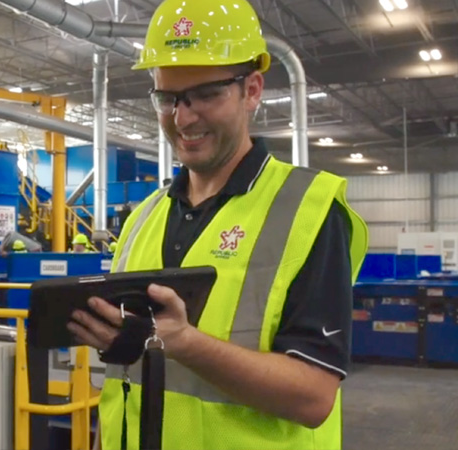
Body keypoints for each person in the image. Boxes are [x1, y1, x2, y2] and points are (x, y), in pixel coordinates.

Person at [67, 0, 368, 448]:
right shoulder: (143, 218)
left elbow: (314, 396)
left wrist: (186, 343)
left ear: (252, 90)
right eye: (168, 98)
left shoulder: (309, 211)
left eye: (206, 94)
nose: (183, 118)